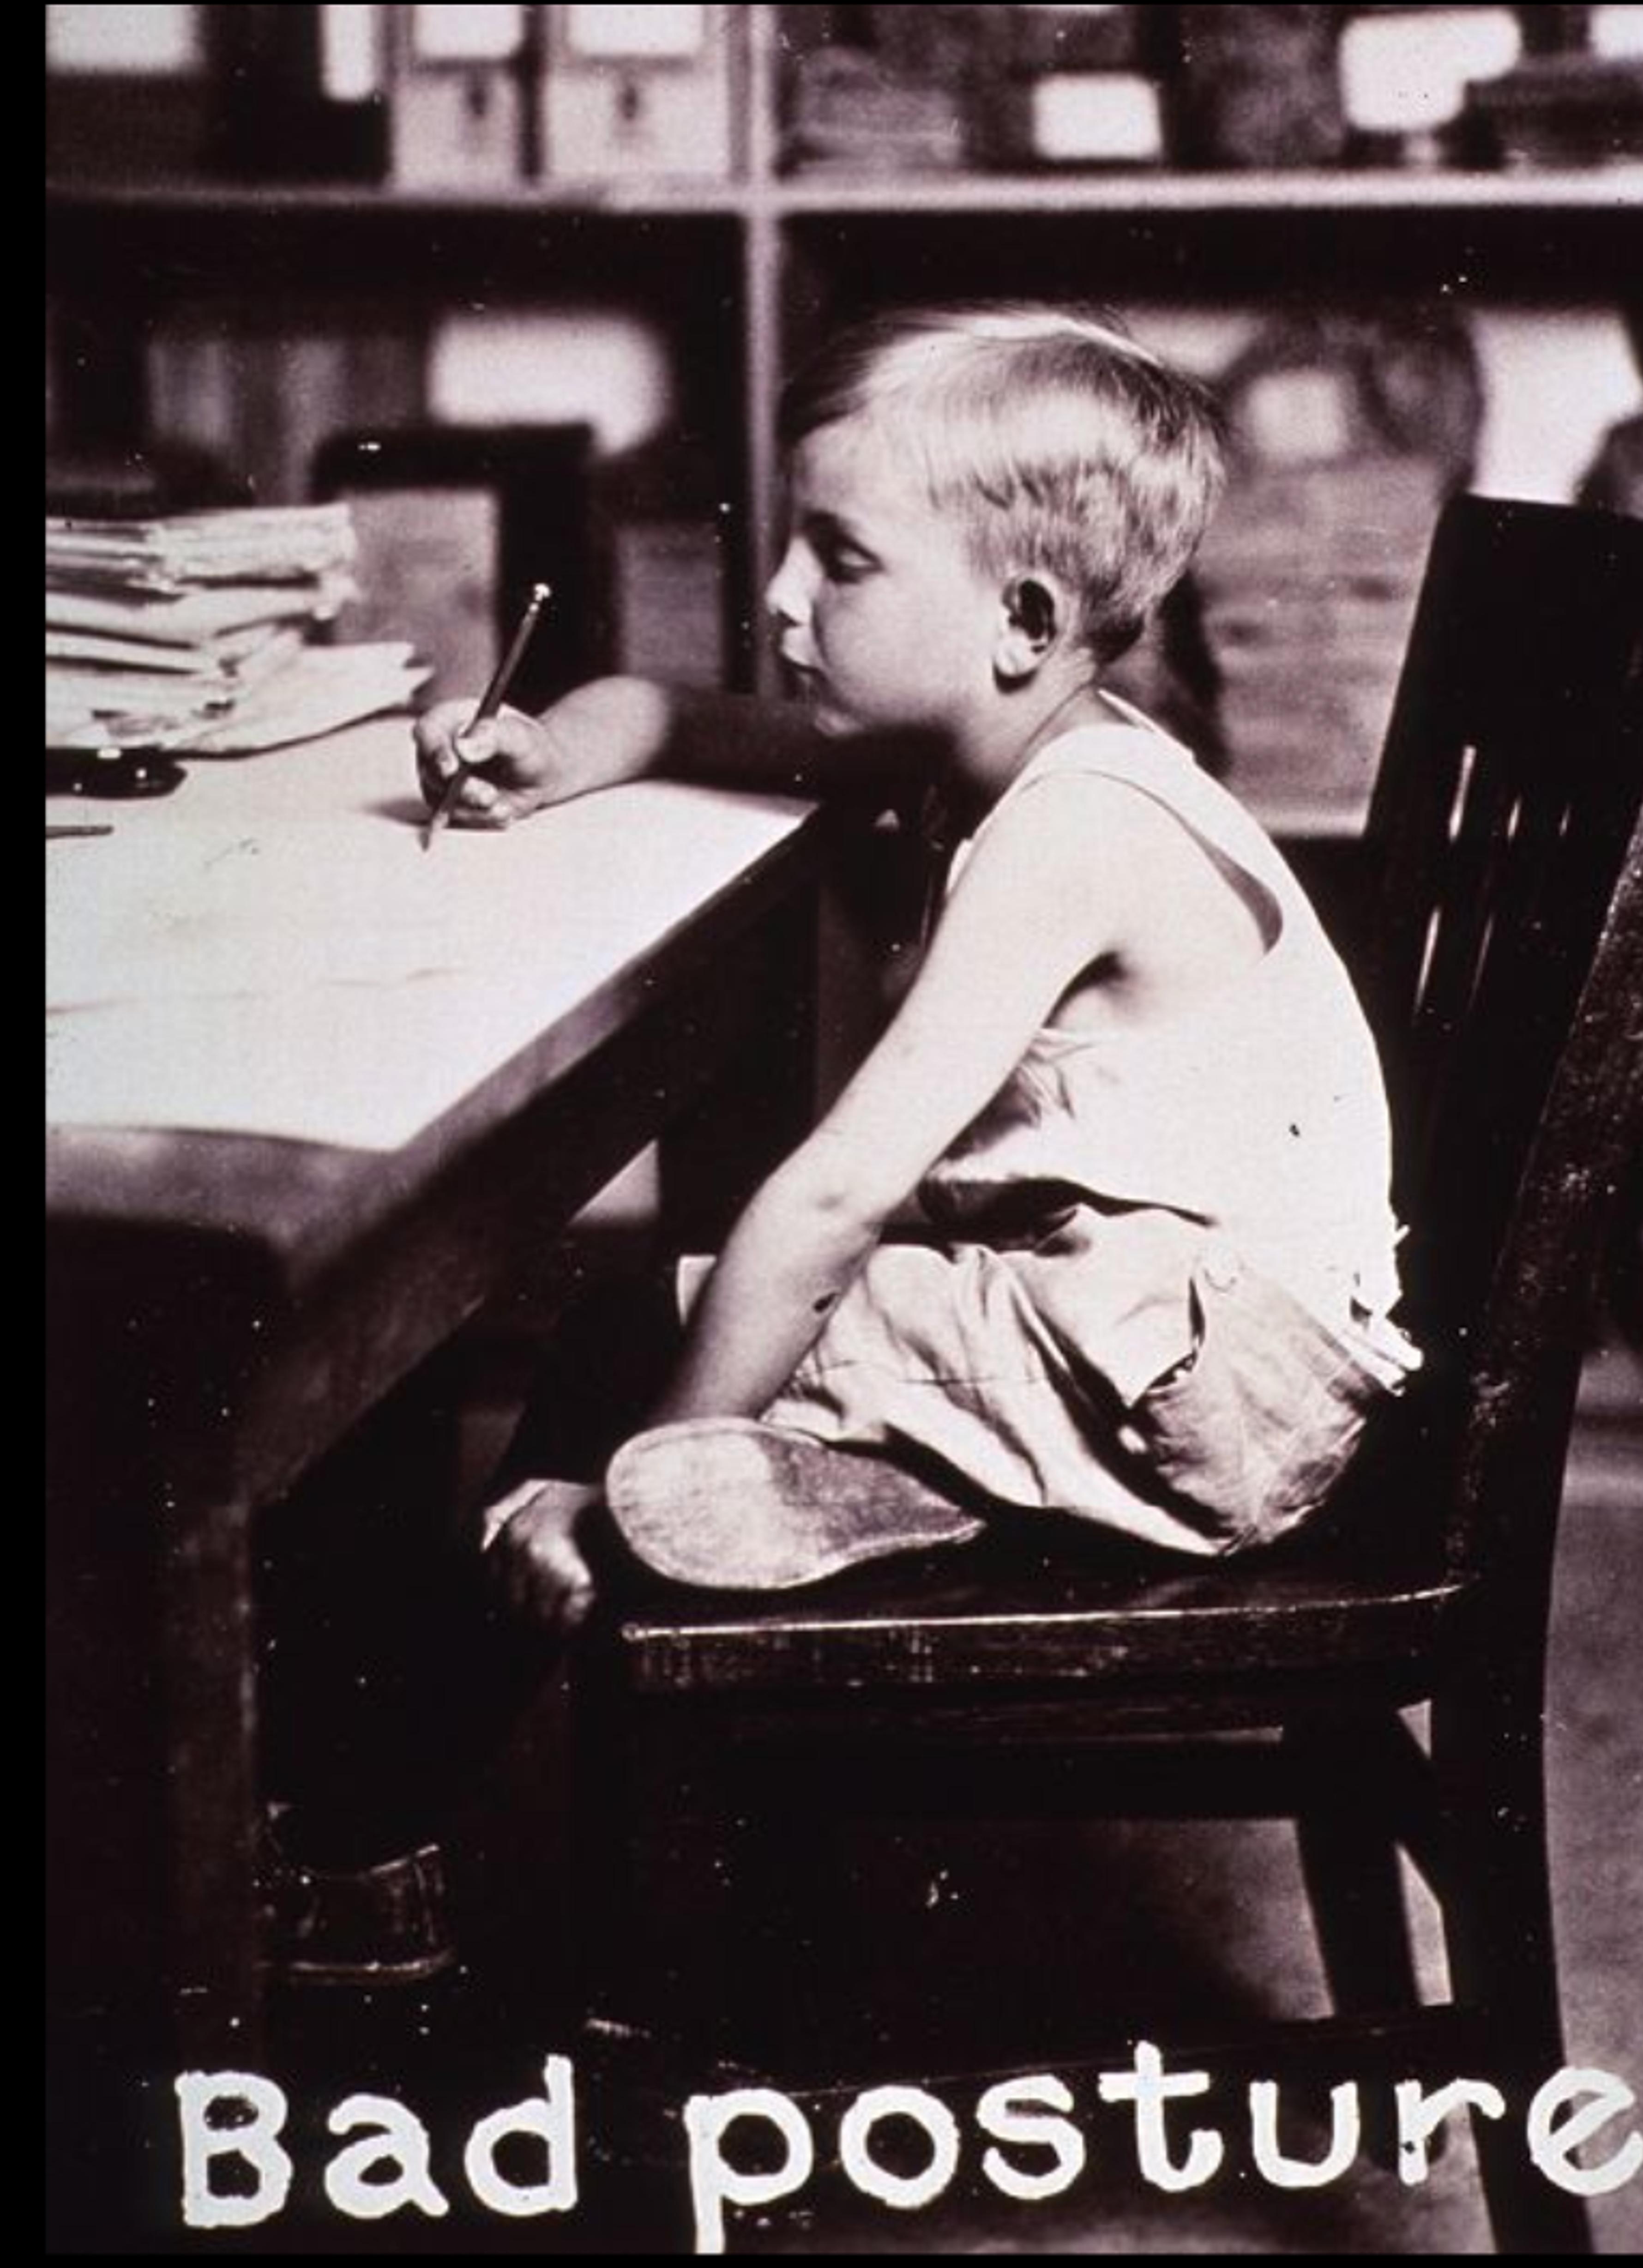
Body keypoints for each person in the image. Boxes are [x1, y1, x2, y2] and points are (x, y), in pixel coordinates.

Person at [411, 302, 1419, 1635]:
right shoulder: (1000, 734)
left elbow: (835, 1198)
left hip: (1215, 1392)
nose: (780, 594)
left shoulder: (1077, 826)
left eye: (842, 559)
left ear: (1023, 617)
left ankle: (405, 1784)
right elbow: (674, 714)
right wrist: (548, 752)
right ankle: (890, 1483)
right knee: (677, 1325)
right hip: (1152, 1331)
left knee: (638, 1346)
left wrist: (618, 1482)